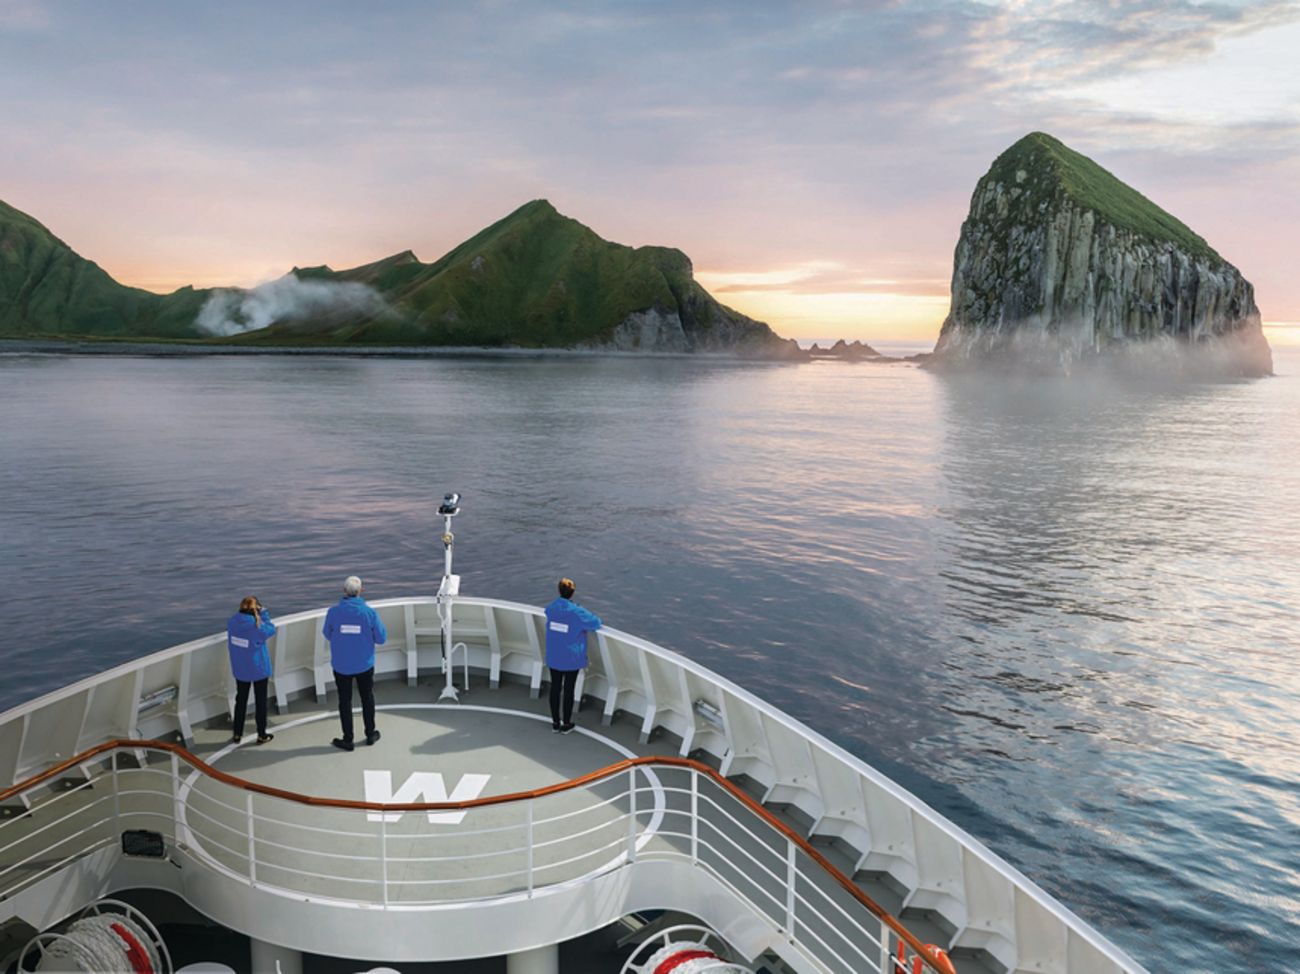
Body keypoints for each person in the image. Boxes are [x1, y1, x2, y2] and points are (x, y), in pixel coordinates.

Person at [322, 575, 388, 751]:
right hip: (364, 665)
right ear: (361, 591)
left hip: (342, 666)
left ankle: (348, 739)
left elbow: (327, 633)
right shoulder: (369, 613)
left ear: (344, 591)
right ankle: (370, 734)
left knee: (345, 701)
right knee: (367, 698)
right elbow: (381, 638)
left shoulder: (333, 612)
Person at [544, 577, 602, 734]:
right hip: (570, 659)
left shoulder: (551, 609)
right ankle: (566, 723)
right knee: (569, 690)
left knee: (555, 688)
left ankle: (555, 722)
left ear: (559, 590)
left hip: (554, 656)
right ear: (572, 593)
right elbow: (596, 623)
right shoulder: (577, 612)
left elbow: (549, 614)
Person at [226, 596, 276, 745]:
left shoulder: (232, 622)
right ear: (256, 609)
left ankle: (237, 734)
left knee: (240, 701)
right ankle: (261, 735)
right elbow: (271, 630)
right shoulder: (257, 626)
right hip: (258, 669)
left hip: (241, 668)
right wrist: (264, 614)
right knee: (260, 702)